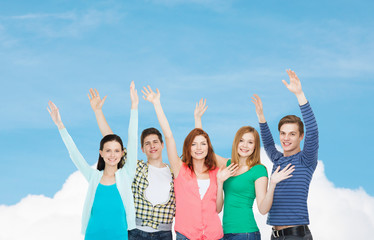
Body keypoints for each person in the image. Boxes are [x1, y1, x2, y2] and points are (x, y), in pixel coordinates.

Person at [47, 81, 138, 240]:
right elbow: (74, 154)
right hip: (93, 234)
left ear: (122, 153)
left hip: (119, 235)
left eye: (116, 151)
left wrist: (134, 106)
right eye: (108, 150)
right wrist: (60, 125)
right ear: (101, 153)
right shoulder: (94, 177)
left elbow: (132, 137)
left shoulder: (126, 174)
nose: (112, 154)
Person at [142, 86, 234, 240]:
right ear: (188, 148)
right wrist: (157, 103)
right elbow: (169, 136)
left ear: (208, 147)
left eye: (203, 144)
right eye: (193, 144)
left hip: (215, 235)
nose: (199, 148)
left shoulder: (215, 172)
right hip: (186, 235)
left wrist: (220, 182)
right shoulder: (180, 169)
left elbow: (217, 209)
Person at [194, 99, 294, 240]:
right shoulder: (228, 165)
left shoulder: (258, 170)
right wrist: (198, 119)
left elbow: (263, 209)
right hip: (225, 233)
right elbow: (205, 151)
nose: (245, 145)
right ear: (236, 142)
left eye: (250, 142)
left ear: (255, 146)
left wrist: (272, 184)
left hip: (246, 233)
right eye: (241, 140)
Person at [88, 87, 175, 240]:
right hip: (136, 232)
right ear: (142, 149)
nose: (152, 146)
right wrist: (97, 111)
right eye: (147, 143)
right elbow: (111, 140)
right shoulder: (136, 167)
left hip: (164, 233)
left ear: (162, 145)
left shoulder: (174, 172)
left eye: (155, 142)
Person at [252, 69, 318, 240]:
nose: (286, 138)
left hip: (296, 235)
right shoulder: (278, 159)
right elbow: (267, 142)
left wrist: (299, 94)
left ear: (301, 136)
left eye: (292, 134)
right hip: (275, 235)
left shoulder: (306, 159)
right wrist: (261, 116)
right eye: (282, 133)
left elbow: (313, 130)